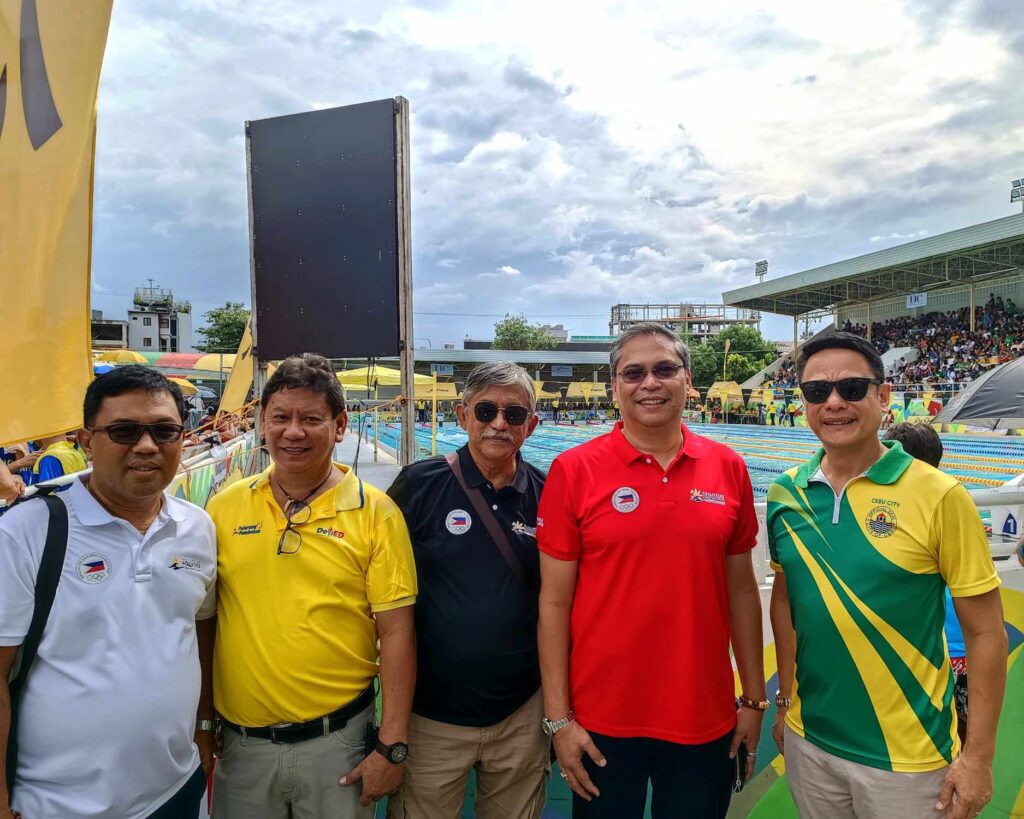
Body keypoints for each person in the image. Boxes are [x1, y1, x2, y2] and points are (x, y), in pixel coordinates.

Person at [768, 333, 1006, 819]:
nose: (834, 402)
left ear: (883, 396)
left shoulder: (940, 496)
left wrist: (978, 757)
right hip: (810, 741)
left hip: (909, 757)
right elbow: (787, 602)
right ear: (803, 403)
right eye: (817, 391)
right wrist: (786, 700)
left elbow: (985, 633)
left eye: (852, 388)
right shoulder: (784, 496)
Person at [537, 322, 766, 818]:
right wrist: (559, 719)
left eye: (664, 369)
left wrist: (753, 700)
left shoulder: (728, 467)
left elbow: (743, 591)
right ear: (614, 386)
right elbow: (553, 603)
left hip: (703, 716)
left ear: (688, 381)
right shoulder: (574, 470)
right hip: (600, 720)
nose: (650, 383)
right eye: (633, 372)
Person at [206, 353, 417, 819]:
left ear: (340, 426)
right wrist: (204, 724)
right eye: (280, 417)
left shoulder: (376, 513)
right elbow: (206, 624)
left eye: (311, 419)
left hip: (338, 744)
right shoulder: (224, 509)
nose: (293, 431)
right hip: (242, 748)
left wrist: (392, 744)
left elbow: (398, 633)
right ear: (262, 423)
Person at [0, 365, 216, 818]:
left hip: (175, 790)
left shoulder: (197, 527)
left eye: (164, 431)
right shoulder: (27, 531)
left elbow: (199, 633)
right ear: (87, 442)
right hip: (56, 804)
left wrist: (202, 729)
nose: (146, 445)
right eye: (123, 431)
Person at [386, 362, 549, 818]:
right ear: (462, 416)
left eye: (514, 415)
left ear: (531, 425)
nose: (499, 423)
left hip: (521, 713)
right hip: (431, 715)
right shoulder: (419, 485)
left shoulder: (548, 492)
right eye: (487, 410)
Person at [882, 422, 970, 746]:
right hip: (962, 648)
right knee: (961, 737)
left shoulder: (883, 517)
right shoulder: (954, 504)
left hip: (923, 653)